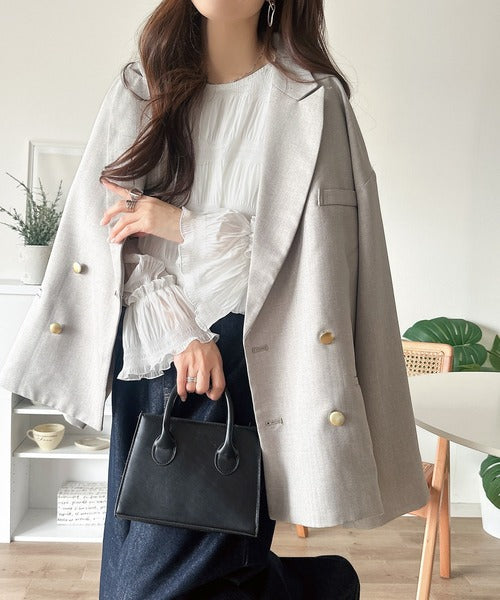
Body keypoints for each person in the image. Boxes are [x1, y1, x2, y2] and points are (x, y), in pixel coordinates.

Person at [0, 0, 429, 597]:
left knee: (167, 579)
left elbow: (301, 261)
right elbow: (115, 238)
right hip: (151, 352)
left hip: (250, 358)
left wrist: (181, 224)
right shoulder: (142, 88)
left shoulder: (314, 101)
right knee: (138, 579)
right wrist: (182, 334)